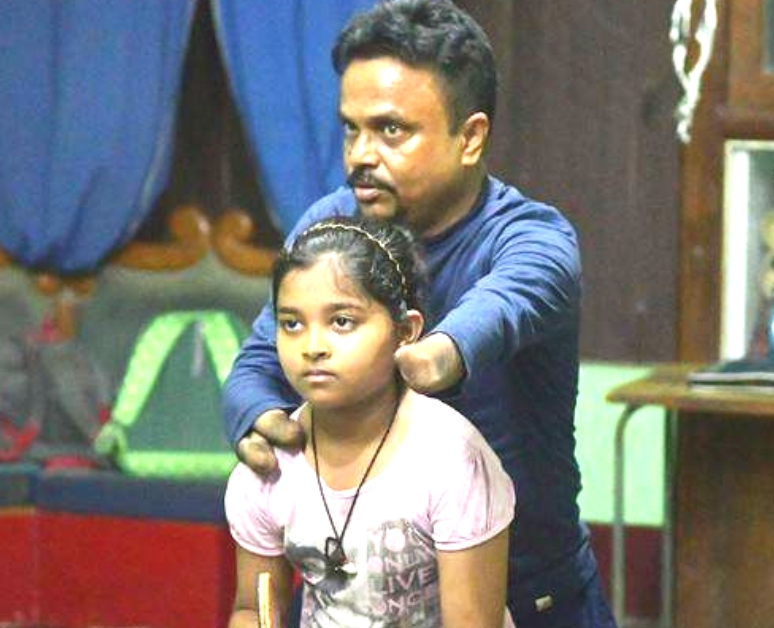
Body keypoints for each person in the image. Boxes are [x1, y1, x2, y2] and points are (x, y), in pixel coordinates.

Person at [223, 1, 618, 626]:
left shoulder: (531, 238)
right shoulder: (330, 228)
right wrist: (261, 421)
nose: (360, 154)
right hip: (354, 597)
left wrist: (436, 353)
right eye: (351, 129)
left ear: (470, 138)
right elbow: (255, 365)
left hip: (525, 596)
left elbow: (507, 302)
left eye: (391, 131)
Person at [224, 216, 515, 628]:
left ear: (405, 331)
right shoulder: (267, 469)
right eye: (291, 324)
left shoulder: (451, 459)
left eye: (342, 321)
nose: (312, 347)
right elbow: (254, 610)